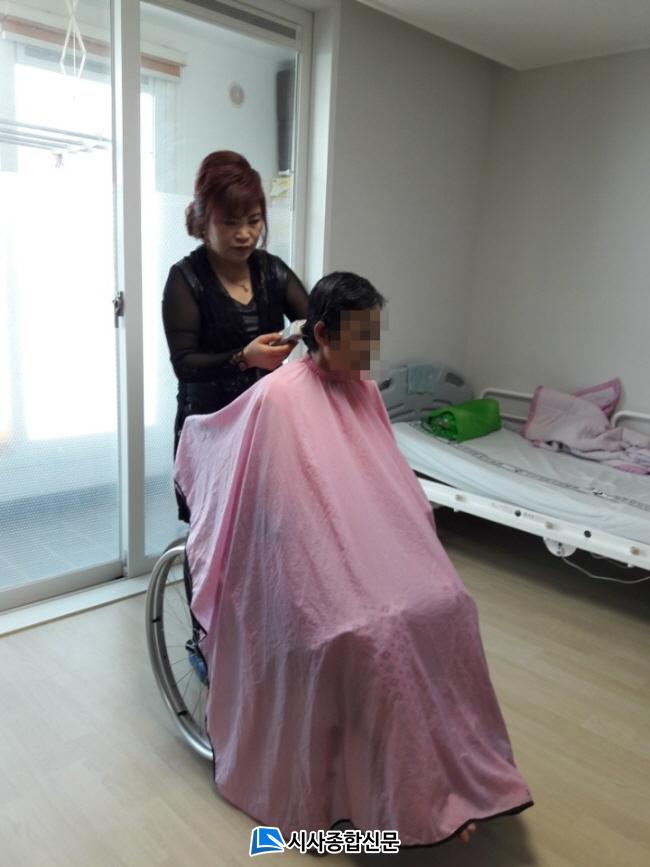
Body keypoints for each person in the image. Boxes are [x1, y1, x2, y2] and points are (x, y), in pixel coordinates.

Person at [174, 272, 532, 848]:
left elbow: (388, 483)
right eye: (362, 338)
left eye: (375, 336)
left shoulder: (364, 391)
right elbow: (280, 501)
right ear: (322, 333)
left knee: (449, 605)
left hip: (368, 546)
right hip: (300, 553)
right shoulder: (280, 397)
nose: (372, 352)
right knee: (372, 632)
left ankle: (453, 777)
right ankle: (401, 795)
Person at [162, 150, 309, 519]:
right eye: (230, 223)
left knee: (264, 525)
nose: (245, 234)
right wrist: (245, 358)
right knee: (211, 529)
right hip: (209, 429)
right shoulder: (185, 279)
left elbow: (314, 320)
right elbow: (185, 365)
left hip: (264, 425)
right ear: (203, 221)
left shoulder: (271, 270)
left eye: (253, 221)